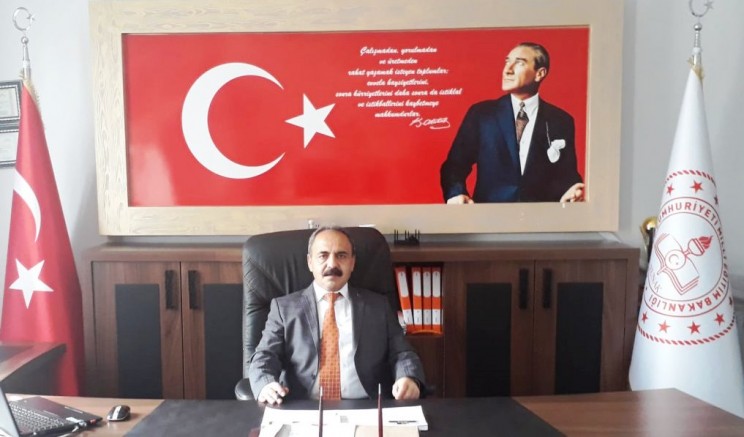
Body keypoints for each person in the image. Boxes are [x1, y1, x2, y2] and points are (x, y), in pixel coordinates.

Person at [248, 226, 425, 404]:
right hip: (303, 406)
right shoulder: (284, 308)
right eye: (323, 256)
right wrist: (266, 384)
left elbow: (402, 352)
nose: (332, 264)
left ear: (352, 263)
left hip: (366, 405)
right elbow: (265, 356)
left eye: (341, 256)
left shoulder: (378, 306)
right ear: (310, 262)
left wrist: (408, 377)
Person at [440, 42, 585, 203]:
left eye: (519, 63)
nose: (507, 70)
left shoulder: (561, 120)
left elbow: (567, 175)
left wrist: (573, 190)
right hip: (489, 215)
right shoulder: (482, 114)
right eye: (507, 62)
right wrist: (456, 194)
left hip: (542, 216)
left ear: (539, 74)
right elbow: (454, 166)